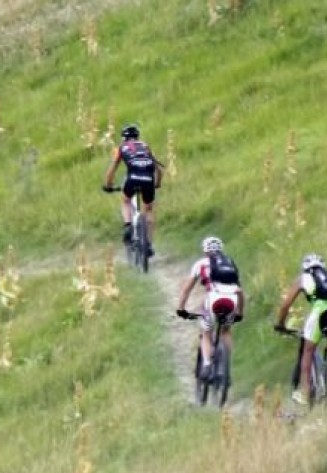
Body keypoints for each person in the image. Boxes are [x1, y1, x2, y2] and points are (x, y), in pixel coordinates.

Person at [274, 253, 327, 404]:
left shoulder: (303, 278)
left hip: (320, 310)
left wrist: (281, 324)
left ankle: (305, 392)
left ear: (305, 267)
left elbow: (286, 305)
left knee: (308, 350)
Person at [176, 236, 245, 379]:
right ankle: (226, 366)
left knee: (206, 333)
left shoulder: (200, 264)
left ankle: (207, 364)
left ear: (204, 250)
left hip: (213, 299)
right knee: (225, 331)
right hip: (232, 300)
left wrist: (181, 308)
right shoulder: (229, 263)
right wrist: (240, 312)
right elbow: (240, 291)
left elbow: (186, 289)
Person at [102, 123, 165, 255]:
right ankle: (147, 243)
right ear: (137, 136)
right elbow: (159, 169)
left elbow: (113, 167)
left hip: (132, 177)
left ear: (124, 138)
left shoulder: (122, 147)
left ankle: (128, 225)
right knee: (148, 209)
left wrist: (107, 185)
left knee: (125, 200)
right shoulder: (145, 146)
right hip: (148, 178)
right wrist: (158, 183)